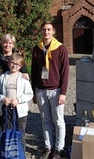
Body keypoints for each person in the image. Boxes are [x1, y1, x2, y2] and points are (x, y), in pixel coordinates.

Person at [0, 34, 30, 158]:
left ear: (13, 44)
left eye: (10, 43)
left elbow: (25, 74)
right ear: (1, 43)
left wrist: (25, 77)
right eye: (5, 42)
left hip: (14, 101)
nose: (7, 45)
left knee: (16, 126)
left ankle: (18, 152)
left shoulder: (17, 57)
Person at [31, 21, 69, 159]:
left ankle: (59, 148)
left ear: (53, 32)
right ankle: (48, 147)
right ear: (41, 32)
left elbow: (65, 72)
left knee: (58, 120)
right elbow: (34, 72)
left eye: (48, 29)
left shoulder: (61, 48)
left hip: (56, 90)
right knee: (45, 120)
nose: (46, 32)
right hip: (40, 90)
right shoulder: (37, 48)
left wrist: (63, 92)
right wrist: (33, 91)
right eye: (44, 30)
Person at [0, 53, 33, 156]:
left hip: (20, 112)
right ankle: (6, 154)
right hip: (6, 110)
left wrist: (18, 100)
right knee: (6, 133)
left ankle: (20, 155)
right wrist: (3, 99)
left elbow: (30, 94)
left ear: (20, 66)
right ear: (8, 63)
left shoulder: (23, 79)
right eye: (12, 63)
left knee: (20, 135)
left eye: (17, 64)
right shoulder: (3, 77)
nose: (14, 65)